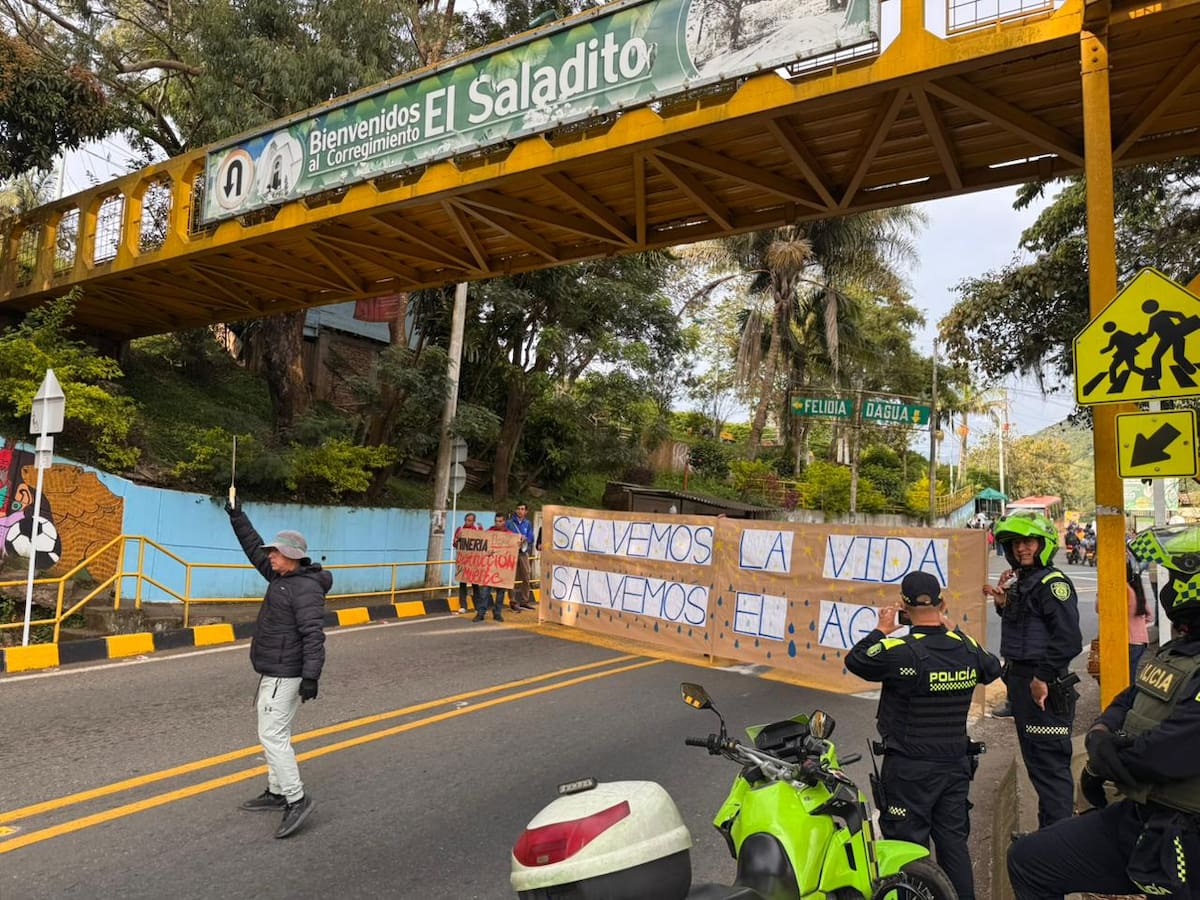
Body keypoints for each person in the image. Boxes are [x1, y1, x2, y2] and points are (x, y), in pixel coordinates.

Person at [1007, 523, 1200, 900]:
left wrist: (1105, 757)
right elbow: (1130, 698)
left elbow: (1167, 752)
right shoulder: (1181, 649)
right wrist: (1100, 733)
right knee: (1029, 859)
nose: (1167, 586)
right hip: (1149, 816)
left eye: (1176, 576)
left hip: (1186, 832)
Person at [847, 571, 1001, 900]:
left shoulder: (899, 650)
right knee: (953, 844)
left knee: (907, 850)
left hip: (909, 770)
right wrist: (953, 629)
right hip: (955, 766)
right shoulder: (967, 647)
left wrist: (881, 629)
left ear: (903, 606)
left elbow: (856, 660)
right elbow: (992, 668)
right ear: (942, 604)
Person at [226, 497, 330, 839]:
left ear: (292, 557)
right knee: (274, 732)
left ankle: (296, 799)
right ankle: (276, 791)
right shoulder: (281, 577)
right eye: (271, 552)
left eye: (276, 552)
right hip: (274, 669)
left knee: (272, 735)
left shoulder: (305, 589)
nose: (270, 556)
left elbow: (313, 635)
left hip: (286, 673)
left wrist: (311, 676)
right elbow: (253, 548)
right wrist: (236, 516)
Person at [984, 510, 1083, 829]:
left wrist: (1042, 678)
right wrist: (1003, 602)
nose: (1021, 548)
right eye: (1015, 543)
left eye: (1028, 542)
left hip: (1043, 687)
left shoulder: (1053, 584)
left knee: (1050, 768)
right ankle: (1047, 834)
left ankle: (1058, 841)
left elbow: (1068, 640)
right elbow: (1027, 626)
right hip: (1023, 684)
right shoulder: (1026, 582)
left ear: (1044, 544)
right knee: (1038, 766)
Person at [453, 513, 483, 615]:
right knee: (462, 584)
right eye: (466, 520)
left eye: (470, 520)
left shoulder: (477, 529)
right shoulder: (460, 530)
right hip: (463, 561)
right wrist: (457, 540)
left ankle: (478, 606)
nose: (468, 522)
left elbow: (482, 543)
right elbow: (454, 544)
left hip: (474, 562)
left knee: (475, 585)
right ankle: (463, 606)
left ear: (474, 521)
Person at [1127, 549, 1152, 678]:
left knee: (1125, 679)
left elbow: (1099, 608)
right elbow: (1150, 616)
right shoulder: (1137, 590)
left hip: (1128, 641)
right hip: (1141, 640)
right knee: (1132, 677)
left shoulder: (1123, 589)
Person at [508, 502, 536, 611]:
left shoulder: (528, 523)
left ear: (526, 511)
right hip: (511, 552)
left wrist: (526, 539)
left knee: (526, 576)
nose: (520, 511)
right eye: (518, 508)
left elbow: (531, 537)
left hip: (523, 553)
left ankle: (524, 601)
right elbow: (504, 535)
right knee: (511, 577)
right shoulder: (509, 523)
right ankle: (512, 601)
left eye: (522, 509)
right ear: (516, 510)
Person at [488, 512, 519, 614]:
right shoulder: (489, 531)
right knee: (485, 590)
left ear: (504, 522)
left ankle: (497, 612)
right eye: (496, 521)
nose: (498, 523)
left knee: (500, 591)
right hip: (490, 566)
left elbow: (514, 547)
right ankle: (481, 612)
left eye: (500, 521)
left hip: (502, 567)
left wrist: (519, 542)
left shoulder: (509, 534)